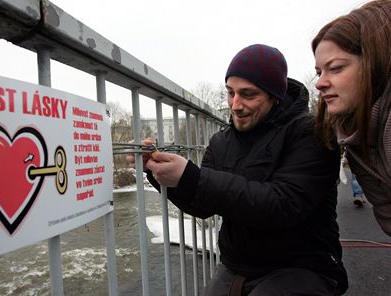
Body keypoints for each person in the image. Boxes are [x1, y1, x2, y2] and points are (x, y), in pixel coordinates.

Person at [129, 44, 347, 295]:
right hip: (237, 266)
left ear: (275, 95)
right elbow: (202, 206)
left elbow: (283, 205)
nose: (235, 105)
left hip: (302, 265)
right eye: (230, 92)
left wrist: (193, 177)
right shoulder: (222, 141)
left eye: (248, 94)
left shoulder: (311, 132)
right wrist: (160, 175)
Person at [312, 0, 391, 235]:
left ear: (375, 63)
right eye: (318, 71)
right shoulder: (351, 131)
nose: (319, 83)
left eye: (335, 68)